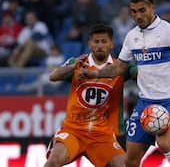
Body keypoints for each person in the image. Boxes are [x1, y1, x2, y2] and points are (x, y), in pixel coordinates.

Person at [77, 0, 170, 167]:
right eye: (133, 12)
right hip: (145, 103)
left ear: (153, 9)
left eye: (142, 10)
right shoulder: (132, 37)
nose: (138, 16)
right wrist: (96, 73)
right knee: (130, 161)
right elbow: (119, 68)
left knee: (165, 143)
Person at [43, 24, 137, 167]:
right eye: (96, 41)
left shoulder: (120, 67)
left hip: (102, 134)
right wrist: (71, 67)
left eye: (104, 41)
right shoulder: (78, 63)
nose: (100, 45)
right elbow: (53, 76)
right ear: (90, 44)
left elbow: (141, 75)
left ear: (111, 44)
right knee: (53, 162)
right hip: (74, 130)